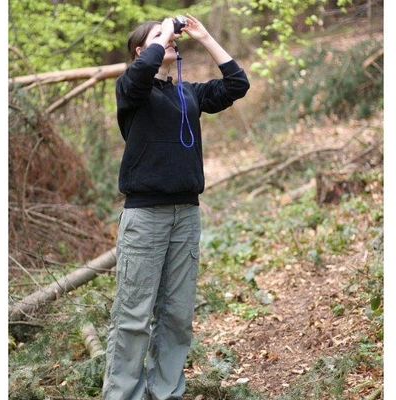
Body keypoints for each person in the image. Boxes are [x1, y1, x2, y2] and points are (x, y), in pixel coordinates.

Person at [102, 13, 250, 400]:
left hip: (186, 215)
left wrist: (203, 37)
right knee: (134, 318)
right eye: (157, 37)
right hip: (145, 216)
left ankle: (165, 393)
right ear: (141, 50)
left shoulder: (188, 93)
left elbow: (237, 84)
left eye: (169, 36)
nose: (169, 39)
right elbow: (141, 73)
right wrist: (164, 31)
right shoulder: (130, 90)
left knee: (177, 316)